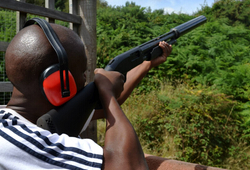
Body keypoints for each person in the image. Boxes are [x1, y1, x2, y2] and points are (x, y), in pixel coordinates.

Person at [0, 21, 172, 170]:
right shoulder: (16, 143)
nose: (85, 78)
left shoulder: (25, 120)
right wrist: (107, 92)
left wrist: (146, 65)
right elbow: (131, 167)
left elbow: (101, 110)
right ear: (57, 84)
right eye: (82, 73)